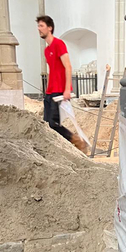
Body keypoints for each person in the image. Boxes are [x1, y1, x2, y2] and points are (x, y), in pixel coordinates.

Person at [37, 15, 88, 154]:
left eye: (41, 26)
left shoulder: (59, 44)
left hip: (59, 91)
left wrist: (67, 89)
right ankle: (59, 150)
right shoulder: (47, 50)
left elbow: (68, 66)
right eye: (38, 26)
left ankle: (78, 142)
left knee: (54, 124)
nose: (39, 29)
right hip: (50, 91)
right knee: (46, 125)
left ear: (50, 28)